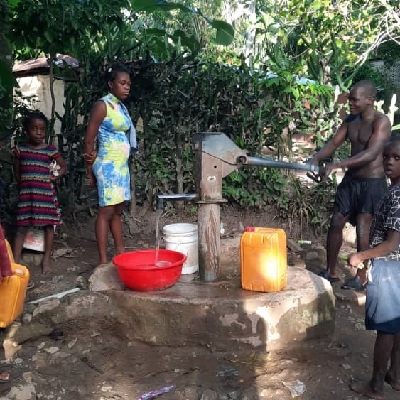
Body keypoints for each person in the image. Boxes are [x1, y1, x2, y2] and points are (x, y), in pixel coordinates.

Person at [309, 80, 391, 291]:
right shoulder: (350, 120)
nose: (350, 103)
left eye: (354, 100)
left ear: (369, 100)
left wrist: (337, 165)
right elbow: (334, 143)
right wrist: (316, 158)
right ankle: (331, 271)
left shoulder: (381, 122)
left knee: (364, 230)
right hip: (351, 182)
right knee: (336, 221)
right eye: (350, 99)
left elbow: (371, 154)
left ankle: (361, 277)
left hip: (372, 183)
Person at [347, 137, 400, 399]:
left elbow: (391, 243)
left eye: (397, 158)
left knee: (386, 329)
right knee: (397, 325)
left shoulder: (397, 195)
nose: (389, 162)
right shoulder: (395, 190)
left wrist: (361, 256)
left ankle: (376, 386)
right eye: (387, 156)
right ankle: (396, 375)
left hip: (390, 268)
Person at [84, 65, 136, 266]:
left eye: (128, 84)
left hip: (121, 168)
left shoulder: (120, 107)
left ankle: (121, 254)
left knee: (118, 212)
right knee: (105, 212)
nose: (126, 87)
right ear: (110, 84)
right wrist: (89, 170)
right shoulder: (102, 105)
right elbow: (89, 139)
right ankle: (103, 261)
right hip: (107, 167)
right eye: (122, 83)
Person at [12, 111, 67, 274]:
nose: (38, 132)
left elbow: (63, 167)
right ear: (26, 130)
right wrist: (21, 183)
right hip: (26, 194)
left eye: (42, 129)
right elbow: (17, 170)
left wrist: (53, 177)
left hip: (45, 195)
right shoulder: (20, 149)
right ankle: (15, 262)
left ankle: (46, 260)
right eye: (34, 129)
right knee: (21, 226)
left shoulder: (50, 151)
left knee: (48, 227)